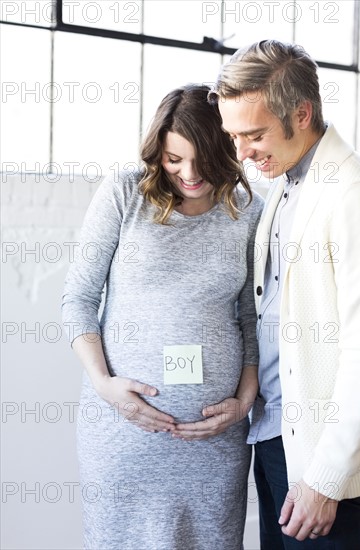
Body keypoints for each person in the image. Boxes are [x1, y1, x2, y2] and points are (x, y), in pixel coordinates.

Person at [200, 39, 360, 549]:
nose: (243, 153)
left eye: (254, 135)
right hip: (274, 434)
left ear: (302, 112)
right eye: (233, 136)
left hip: (319, 456)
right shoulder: (283, 190)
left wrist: (325, 479)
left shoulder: (357, 194)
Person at [61, 84, 264, 549]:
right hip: (124, 430)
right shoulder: (124, 194)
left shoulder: (250, 211)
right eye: (174, 159)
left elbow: (254, 318)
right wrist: (105, 386)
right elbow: (77, 298)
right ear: (158, 152)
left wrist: (243, 402)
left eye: (203, 160)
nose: (189, 174)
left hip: (216, 439)